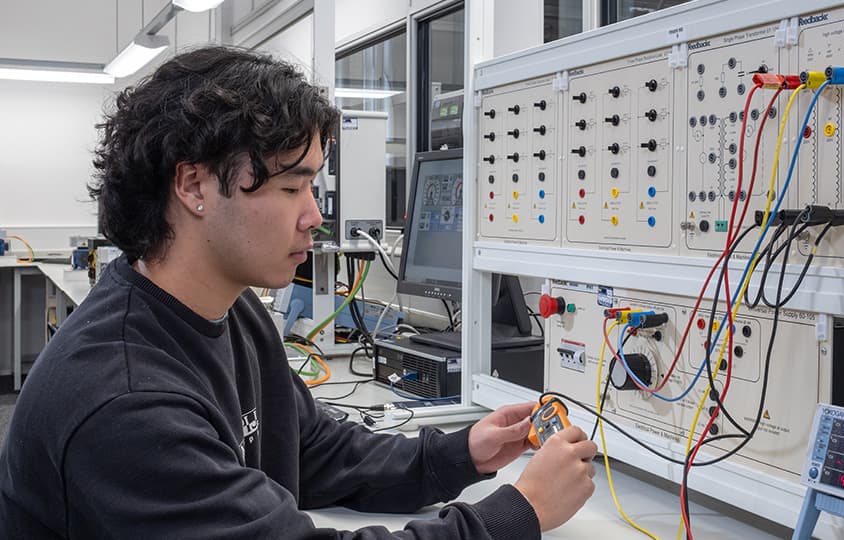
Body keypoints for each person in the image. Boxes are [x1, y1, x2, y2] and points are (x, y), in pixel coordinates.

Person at [0, 46, 597, 539]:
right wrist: (518, 512)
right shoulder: (127, 401)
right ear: (194, 185)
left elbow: (313, 450)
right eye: (291, 187)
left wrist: (460, 453)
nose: (314, 215)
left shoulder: (230, 310)